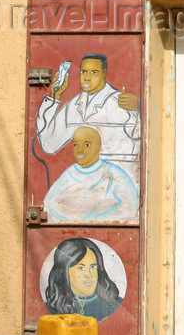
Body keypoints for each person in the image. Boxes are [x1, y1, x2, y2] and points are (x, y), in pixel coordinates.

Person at [35, 53, 140, 183]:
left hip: (119, 184)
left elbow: (147, 140)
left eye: (94, 72)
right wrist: (55, 96)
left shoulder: (121, 102)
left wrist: (140, 107)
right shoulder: (75, 105)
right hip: (86, 188)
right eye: (84, 72)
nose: (87, 78)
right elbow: (49, 144)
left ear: (103, 73)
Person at [44, 126, 139, 223]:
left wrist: (94, 220)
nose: (79, 150)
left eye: (86, 145)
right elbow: (49, 206)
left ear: (98, 147)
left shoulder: (114, 174)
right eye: (76, 145)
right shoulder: (70, 174)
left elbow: (131, 209)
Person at [45, 237, 123, 322]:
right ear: (65, 271)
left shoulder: (115, 303)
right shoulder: (52, 305)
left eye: (93, 267)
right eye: (81, 268)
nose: (89, 275)